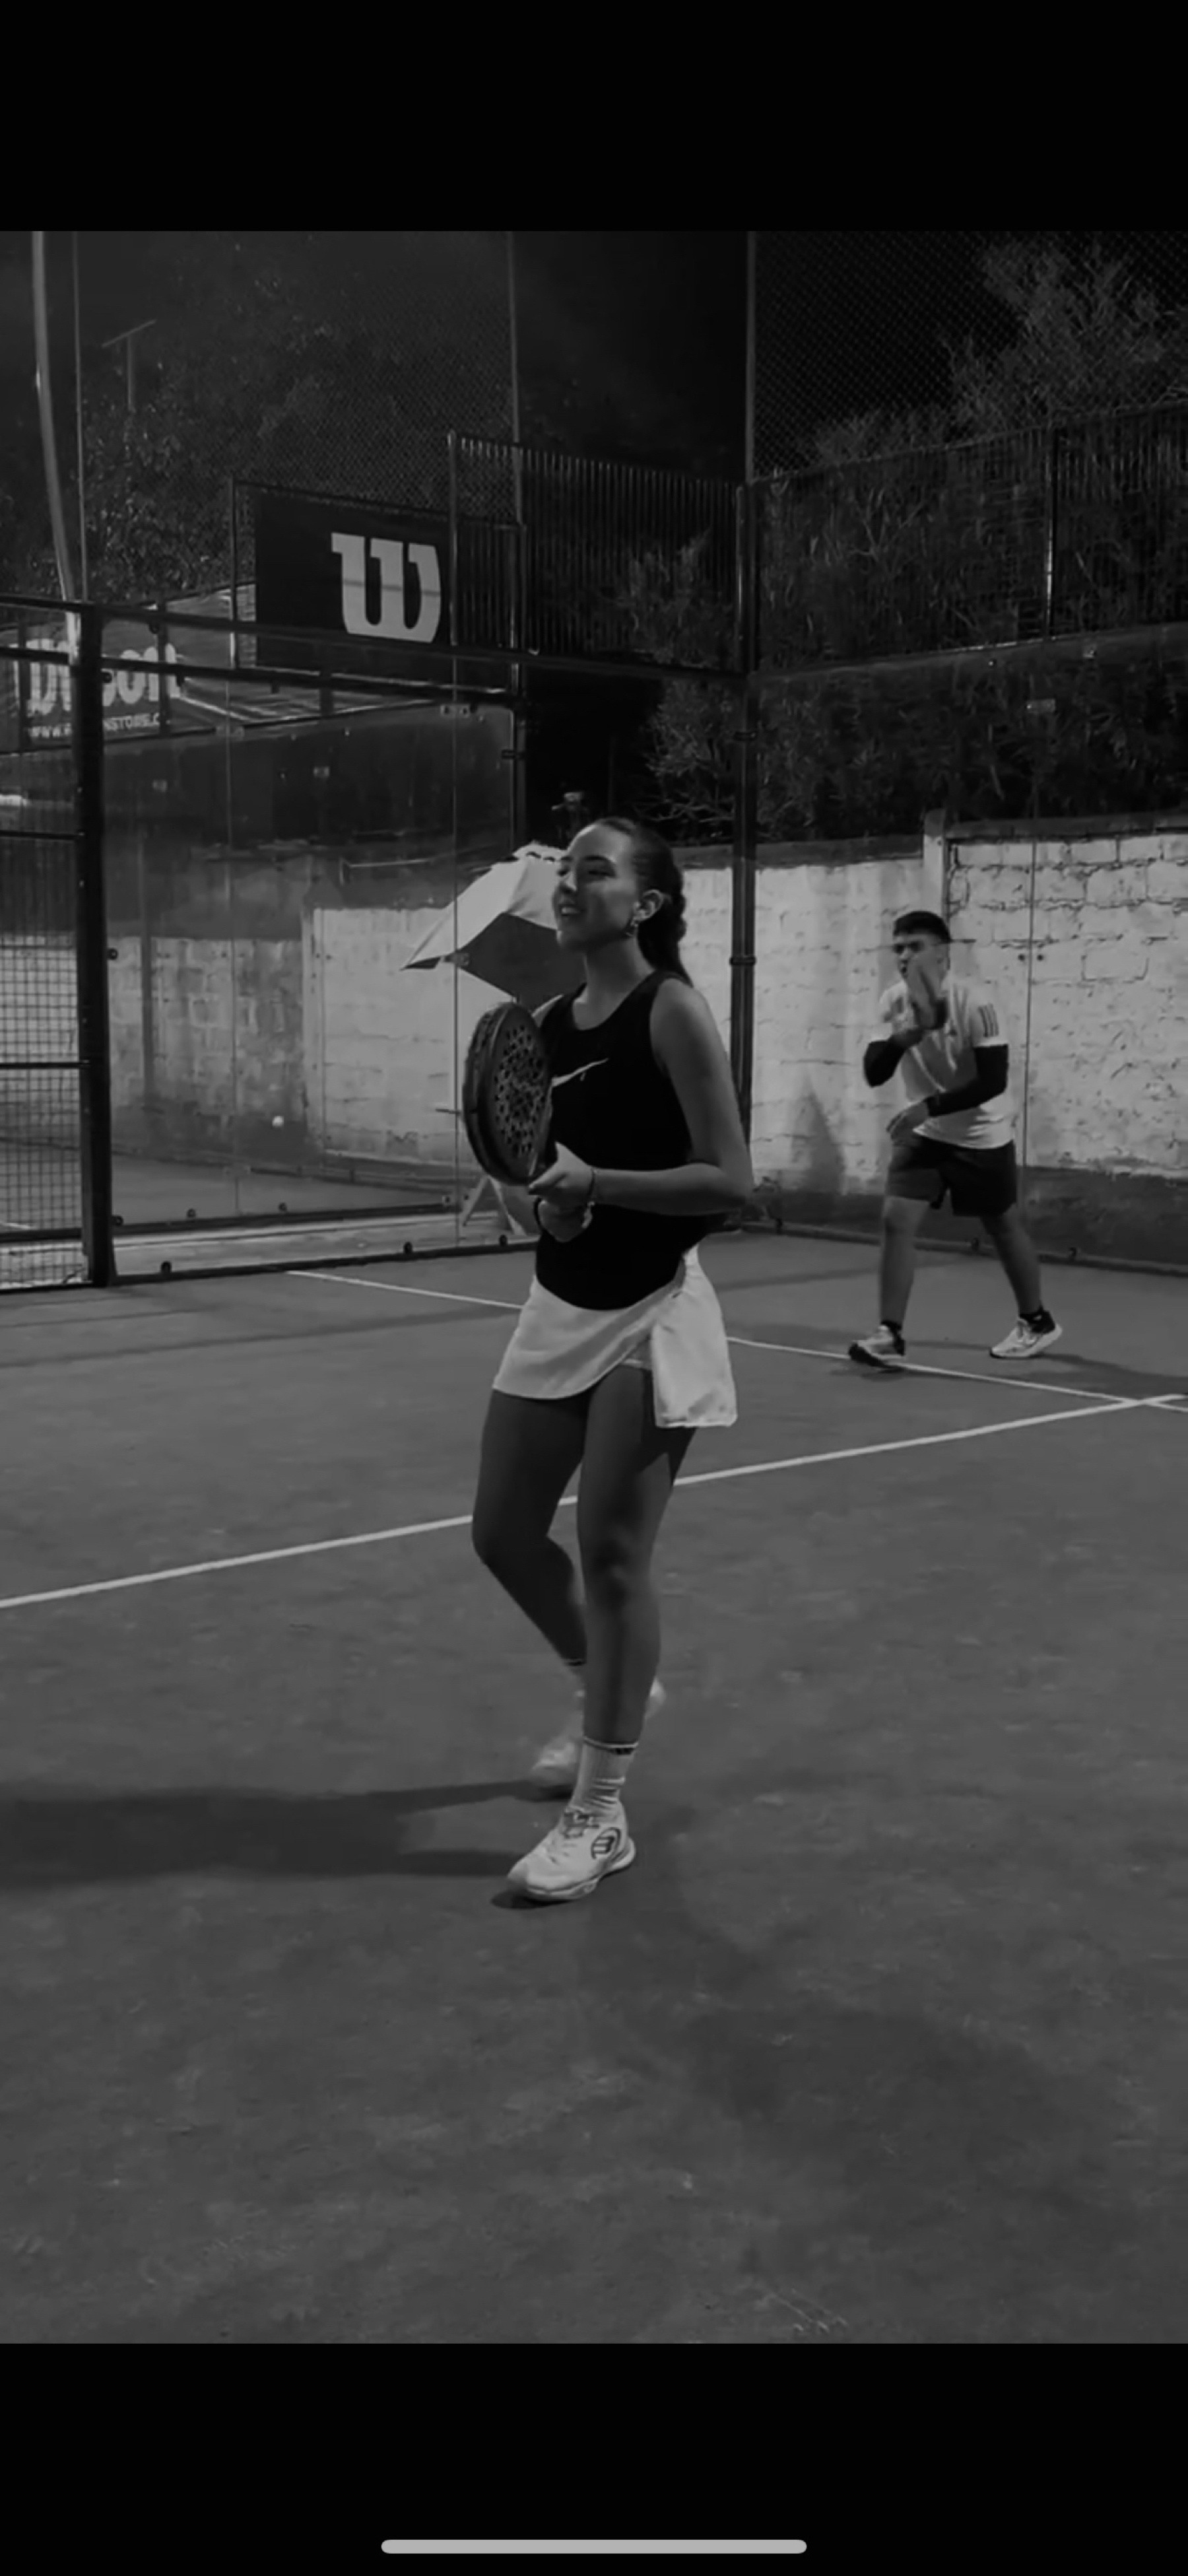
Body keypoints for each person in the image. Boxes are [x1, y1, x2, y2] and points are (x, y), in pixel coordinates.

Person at [471, 817, 752, 1903]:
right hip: (563, 1303)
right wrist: (539, 1199)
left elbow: (729, 1180)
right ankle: (616, 1684)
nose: (570, 884)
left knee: (612, 1551)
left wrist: (602, 1185)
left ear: (646, 904)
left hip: (653, 1308)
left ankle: (599, 1814)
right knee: (502, 1532)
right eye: (566, 869)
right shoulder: (541, 1029)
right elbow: (547, 1187)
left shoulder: (670, 1010)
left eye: (597, 870)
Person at [849, 908, 1061, 1370]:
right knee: (896, 1220)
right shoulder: (893, 1002)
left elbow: (992, 1081)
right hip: (925, 1136)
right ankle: (889, 1334)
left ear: (943, 954)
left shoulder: (977, 1003)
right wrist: (904, 1038)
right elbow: (874, 1072)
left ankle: (1037, 1321)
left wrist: (929, 1106)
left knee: (1002, 1225)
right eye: (898, 948)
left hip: (981, 1135)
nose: (904, 957)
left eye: (916, 947)